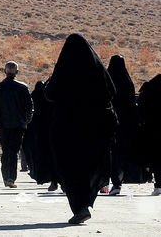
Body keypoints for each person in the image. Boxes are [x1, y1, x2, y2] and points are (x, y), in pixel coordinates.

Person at [44, 34, 117, 224]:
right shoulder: (97, 69)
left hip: (67, 127)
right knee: (89, 165)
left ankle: (80, 206)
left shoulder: (64, 69)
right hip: (94, 128)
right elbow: (112, 91)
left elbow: (50, 94)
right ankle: (86, 203)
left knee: (70, 166)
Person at [0, 61, 33, 188]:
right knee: (14, 151)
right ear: (17, 72)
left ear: (5, 71)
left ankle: (5, 176)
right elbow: (29, 106)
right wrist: (28, 119)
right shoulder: (23, 87)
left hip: (3, 124)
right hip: (18, 125)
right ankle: (11, 178)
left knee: (6, 150)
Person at [106, 55, 141, 195]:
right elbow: (132, 103)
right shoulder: (127, 82)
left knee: (109, 154)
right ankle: (118, 182)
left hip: (109, 123)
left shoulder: (107, 81)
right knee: (121, 153)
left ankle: (107, 183)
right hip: (125, 125)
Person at [22, 81, 59, 191]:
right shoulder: (50, 101)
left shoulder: (34, 99)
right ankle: (59, 182)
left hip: (39, 136)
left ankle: (52, 181)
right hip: (52, 133)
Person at [137, 74, 161, 196]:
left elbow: (141, 104)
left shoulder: (152, 85)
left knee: (157, 157)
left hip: (154, 128)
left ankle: (158, 184)